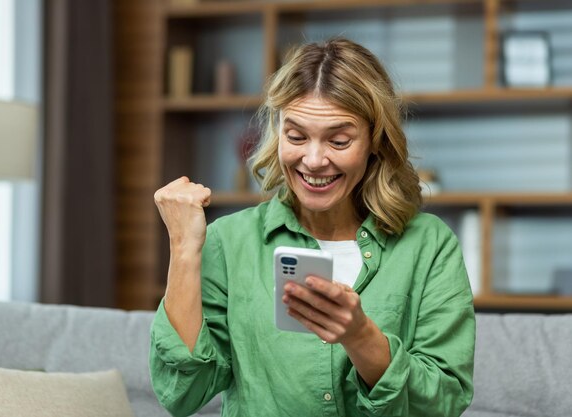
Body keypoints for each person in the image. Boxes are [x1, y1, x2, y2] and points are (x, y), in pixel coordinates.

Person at [150, 37, 475, 417]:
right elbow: (181, 393)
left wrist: (361, 337)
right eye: (296, 136)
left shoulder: (429, 245)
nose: (314, 160)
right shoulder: (230, 240)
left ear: (374, 140)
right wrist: (184, 249)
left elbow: (444, 400)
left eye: (339, 140)